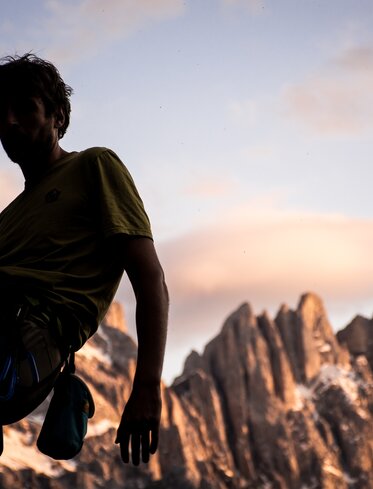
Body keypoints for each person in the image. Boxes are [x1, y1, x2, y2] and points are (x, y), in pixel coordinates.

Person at [0, 53, 168, 465]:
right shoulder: (7, 219)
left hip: (29, 333)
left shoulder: (94, 165)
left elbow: (150, 281)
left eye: (25, 108)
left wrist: (146, 386)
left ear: (58, 117)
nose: (9, 122)